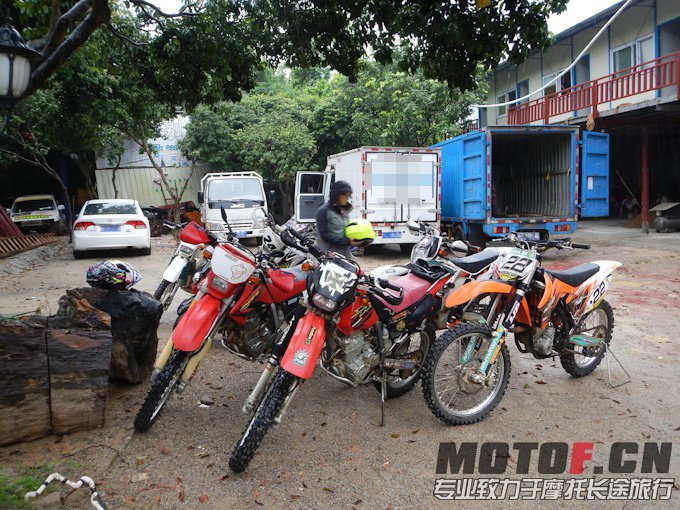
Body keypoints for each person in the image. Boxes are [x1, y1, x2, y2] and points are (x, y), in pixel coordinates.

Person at [315, 181, 363, 257]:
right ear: (336, 194)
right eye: (345, 195)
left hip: (345, 254)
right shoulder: (323, 211)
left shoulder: (344, 211)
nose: (347, 198)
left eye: (349, 196)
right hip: (329, 255)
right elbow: (325, 235)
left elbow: (345, 229)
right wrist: (347, 241)